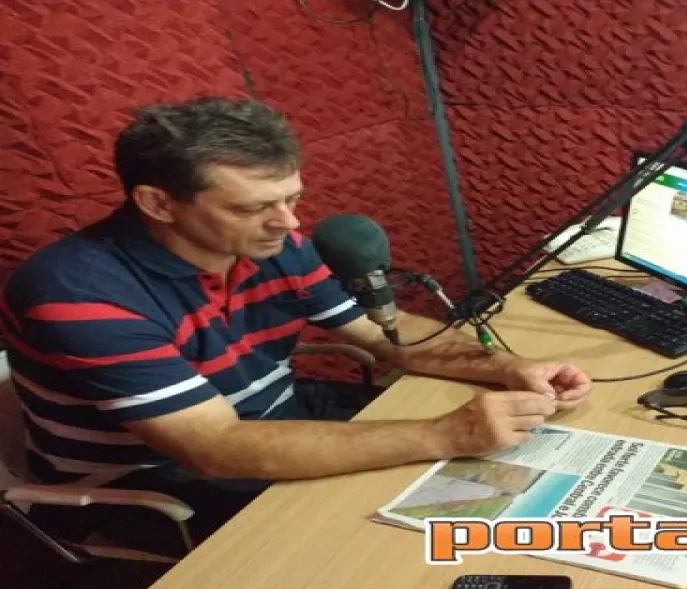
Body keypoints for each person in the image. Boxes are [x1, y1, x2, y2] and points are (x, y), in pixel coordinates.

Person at [0, 97, 592, 551]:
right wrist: (447, 434)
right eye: (252, 206)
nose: (287, 224)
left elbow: (379, 336)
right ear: (158, 203)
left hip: (276, 416)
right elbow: (215, 449)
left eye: (291, 199)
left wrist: (506, 367)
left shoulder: (272, 244)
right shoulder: (75, 293)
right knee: (404, 543)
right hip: (154, 480)